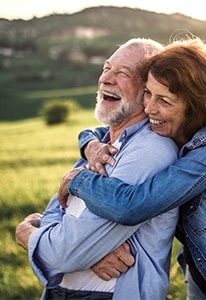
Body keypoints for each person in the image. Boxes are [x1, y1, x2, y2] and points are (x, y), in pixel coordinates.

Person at [58, 37, 206, 299]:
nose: (149, 108)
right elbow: (103, 130)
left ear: (195, 106)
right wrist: (90, 145)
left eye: (165, 101)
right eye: (148, 93)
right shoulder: (174, 130)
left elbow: (133, 206)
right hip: (202, 274)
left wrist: (78, 180)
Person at [15, 38, 180, 300]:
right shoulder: (99, 146)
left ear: (147, 92)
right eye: (106, 68)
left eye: (123, 73)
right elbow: (55, 214)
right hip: (60, 292)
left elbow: (66, 253)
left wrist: (26, 233)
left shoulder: (151, 151)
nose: (107, 79)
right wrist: (85, 254)